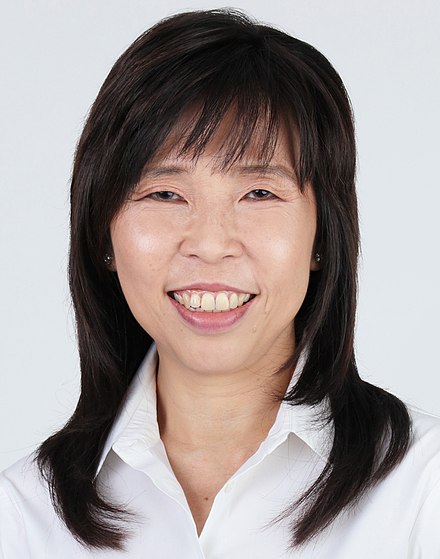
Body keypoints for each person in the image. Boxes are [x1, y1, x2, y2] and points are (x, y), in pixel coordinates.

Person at [1, 8, 439, 558]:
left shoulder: (422, 490)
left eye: (259, 193)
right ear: (103, 233)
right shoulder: (25, 517)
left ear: (323, 236)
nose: (210, 244)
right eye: (165, 194)